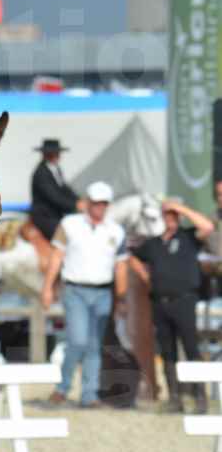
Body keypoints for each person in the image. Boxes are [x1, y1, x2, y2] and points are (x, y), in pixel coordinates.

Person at [41, 181, 128, 408]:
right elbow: (56, 257)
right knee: (77, 341)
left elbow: (121, 267)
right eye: (96, 202)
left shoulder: (116, 231)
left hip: (103, 292)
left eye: (104, 203)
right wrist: (48, 287)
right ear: (88, 202)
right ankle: (63, 387)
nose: (100, 207)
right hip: (75, 289)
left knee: (94, 344)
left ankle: (89, 394)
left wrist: (121, 297)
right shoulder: (69, 224)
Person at [129, 199, 214, 413]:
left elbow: (207, 227)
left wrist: (181, 208)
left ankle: (199, 396)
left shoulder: (187, 237)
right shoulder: (154, 243)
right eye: (167, 215)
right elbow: (133, 256)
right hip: (160, 302)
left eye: (174, 215)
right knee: (167, 352)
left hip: (184, 300)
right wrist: (145, 275)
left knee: (191, 348)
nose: (171, 219)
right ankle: (174, 397)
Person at [29, 138, 84, 242]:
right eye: (55, 153)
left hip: (55, 215)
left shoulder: (56, 169)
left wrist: (78, 200)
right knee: (66, 239)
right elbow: (54, 197)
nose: (58, 156)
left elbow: (64, 188)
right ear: (47, 154)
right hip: (45, 217)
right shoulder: (41, 173)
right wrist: (75, 205)